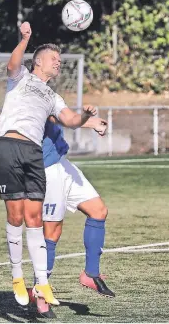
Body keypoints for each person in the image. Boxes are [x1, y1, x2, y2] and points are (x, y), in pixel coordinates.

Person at [0, 21, 98, 307]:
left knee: (35, 219)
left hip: (32, 153)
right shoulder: (22, 77)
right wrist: (24, 39)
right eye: (54, 59)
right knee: (15, 217)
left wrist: (85, 117)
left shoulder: (53, 96)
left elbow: (71, 120)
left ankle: (42, 283)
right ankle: (16, 277)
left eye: (60, 60)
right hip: (7, 148)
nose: (59, 62)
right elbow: (12, 64)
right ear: (39, 62)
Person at [33, 117, 115, 318]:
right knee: (52, 233)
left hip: (61, 163)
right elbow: (56, 116)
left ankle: (90, 273)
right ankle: (41, 292)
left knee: (98, 210)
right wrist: (90, 123)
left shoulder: (49, 89)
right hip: (47, 169)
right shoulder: (30, 88)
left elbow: (61, 113)